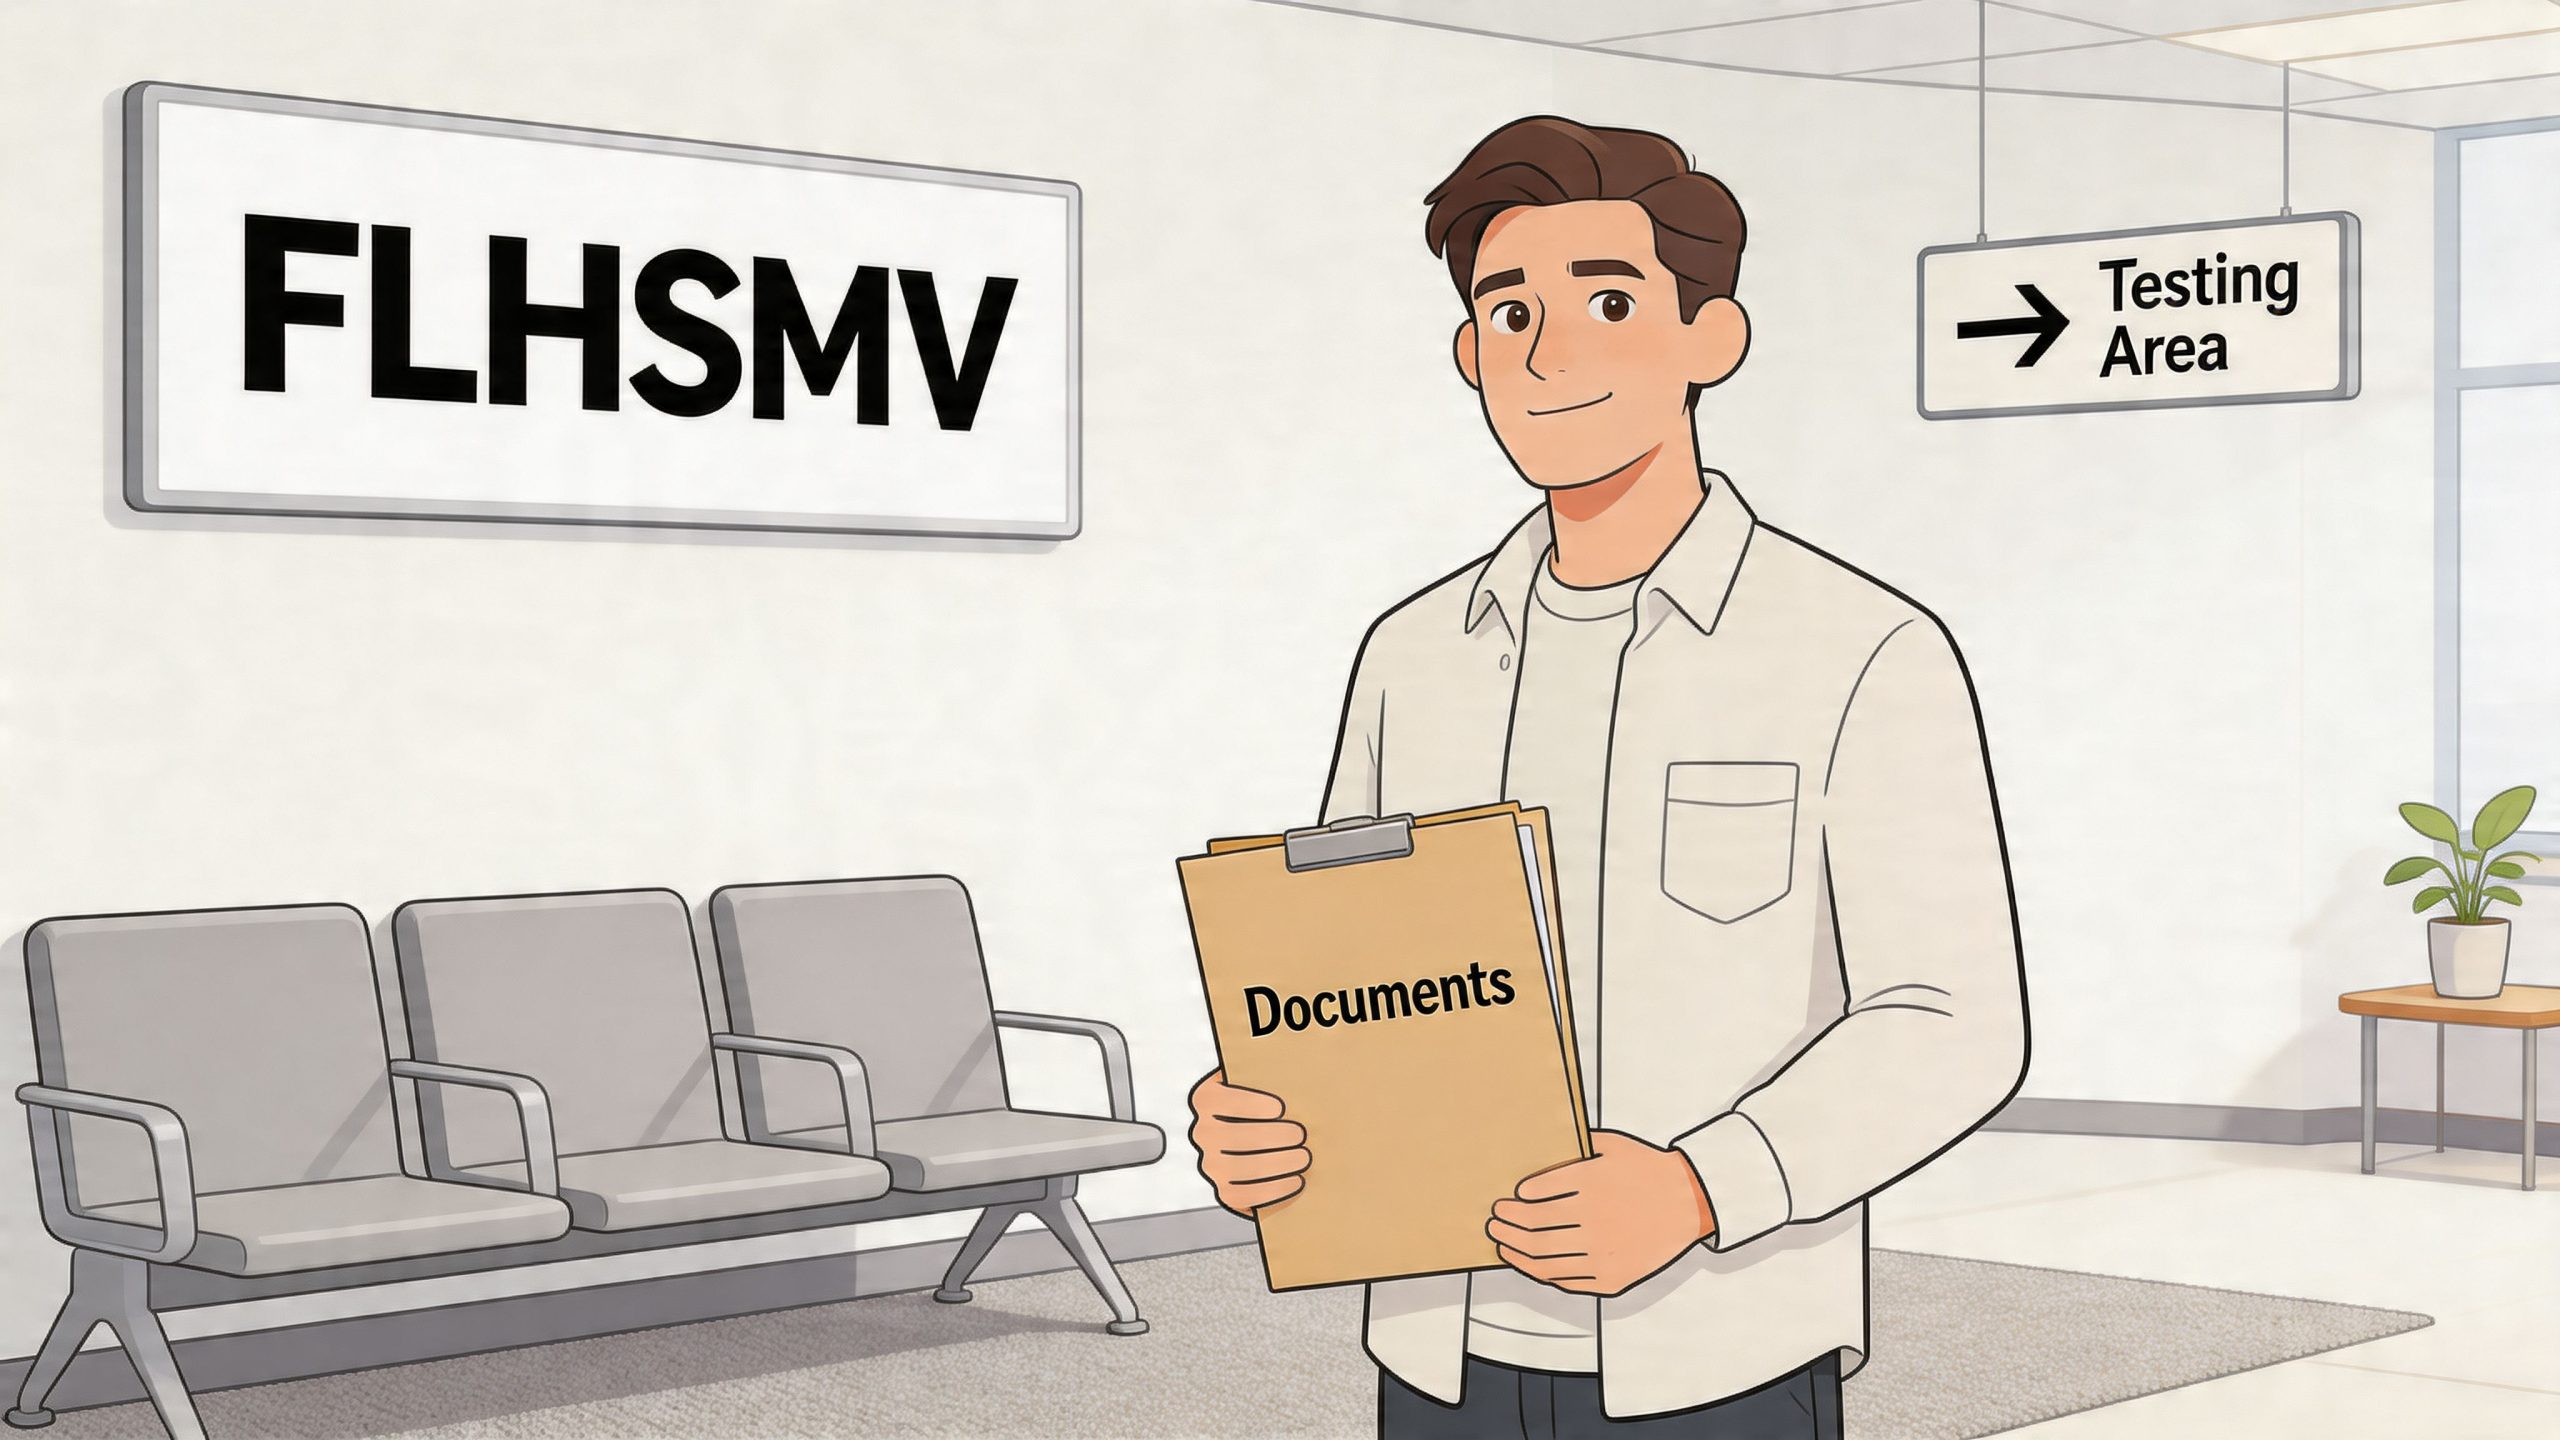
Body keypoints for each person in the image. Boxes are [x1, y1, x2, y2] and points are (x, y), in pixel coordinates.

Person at [1187, 116, 2030, 1439]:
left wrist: (1703, 1188)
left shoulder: (1862, 650)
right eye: (1509, 311)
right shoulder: (1413, 657)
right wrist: (1270, 1123)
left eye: (1609, 300)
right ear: (1469, 354)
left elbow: (1952, 1020)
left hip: (1712, 1346)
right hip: (1439, 1343)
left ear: (1712, 339)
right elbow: (1341, 983)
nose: (1552, 351)